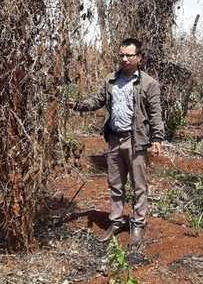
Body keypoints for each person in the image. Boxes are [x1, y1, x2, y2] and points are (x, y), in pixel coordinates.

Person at [66, 38, 163, 245]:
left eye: (129, 55)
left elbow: (155, 114)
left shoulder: (149, 83)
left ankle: (137, 224)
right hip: (114, 140)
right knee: (116, 185)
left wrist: (157, 139)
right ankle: (116, 221)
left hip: (136, 141)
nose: (125, 59)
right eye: (121, 55)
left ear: (139, 57)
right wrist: (78, 105)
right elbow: (97, 101)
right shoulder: (111, 80)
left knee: (139, 186)